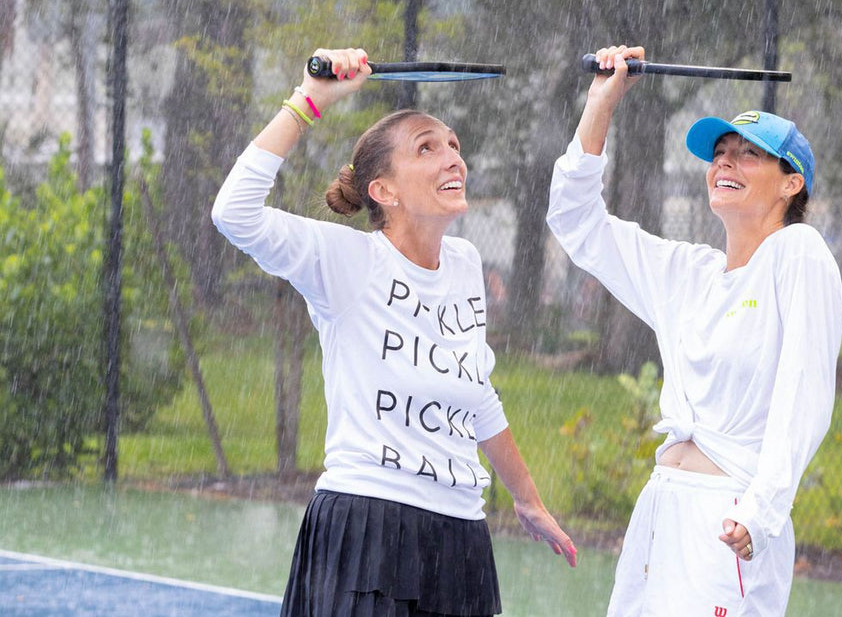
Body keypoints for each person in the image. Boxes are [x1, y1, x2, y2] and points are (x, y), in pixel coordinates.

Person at [212, 47, 576, 617]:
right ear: (383, 190)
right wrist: (310, 101)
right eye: (427, 148)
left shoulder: (465, 264)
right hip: (368, 528)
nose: (453, 158)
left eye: (453, 144)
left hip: (460, 538)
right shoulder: (346, 261)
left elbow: (477, 395)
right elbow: (234, 214)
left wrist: (527, 500)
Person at [547, 45, 842, 616]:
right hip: (660, 510)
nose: (726, 163)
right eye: (720, 153)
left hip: (732, 520)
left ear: (791, 184)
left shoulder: (797, 252)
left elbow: (804, 394)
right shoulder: (689, 273)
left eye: (750, 155)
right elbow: (576, 222)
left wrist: (761, 512)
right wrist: (600, 102)